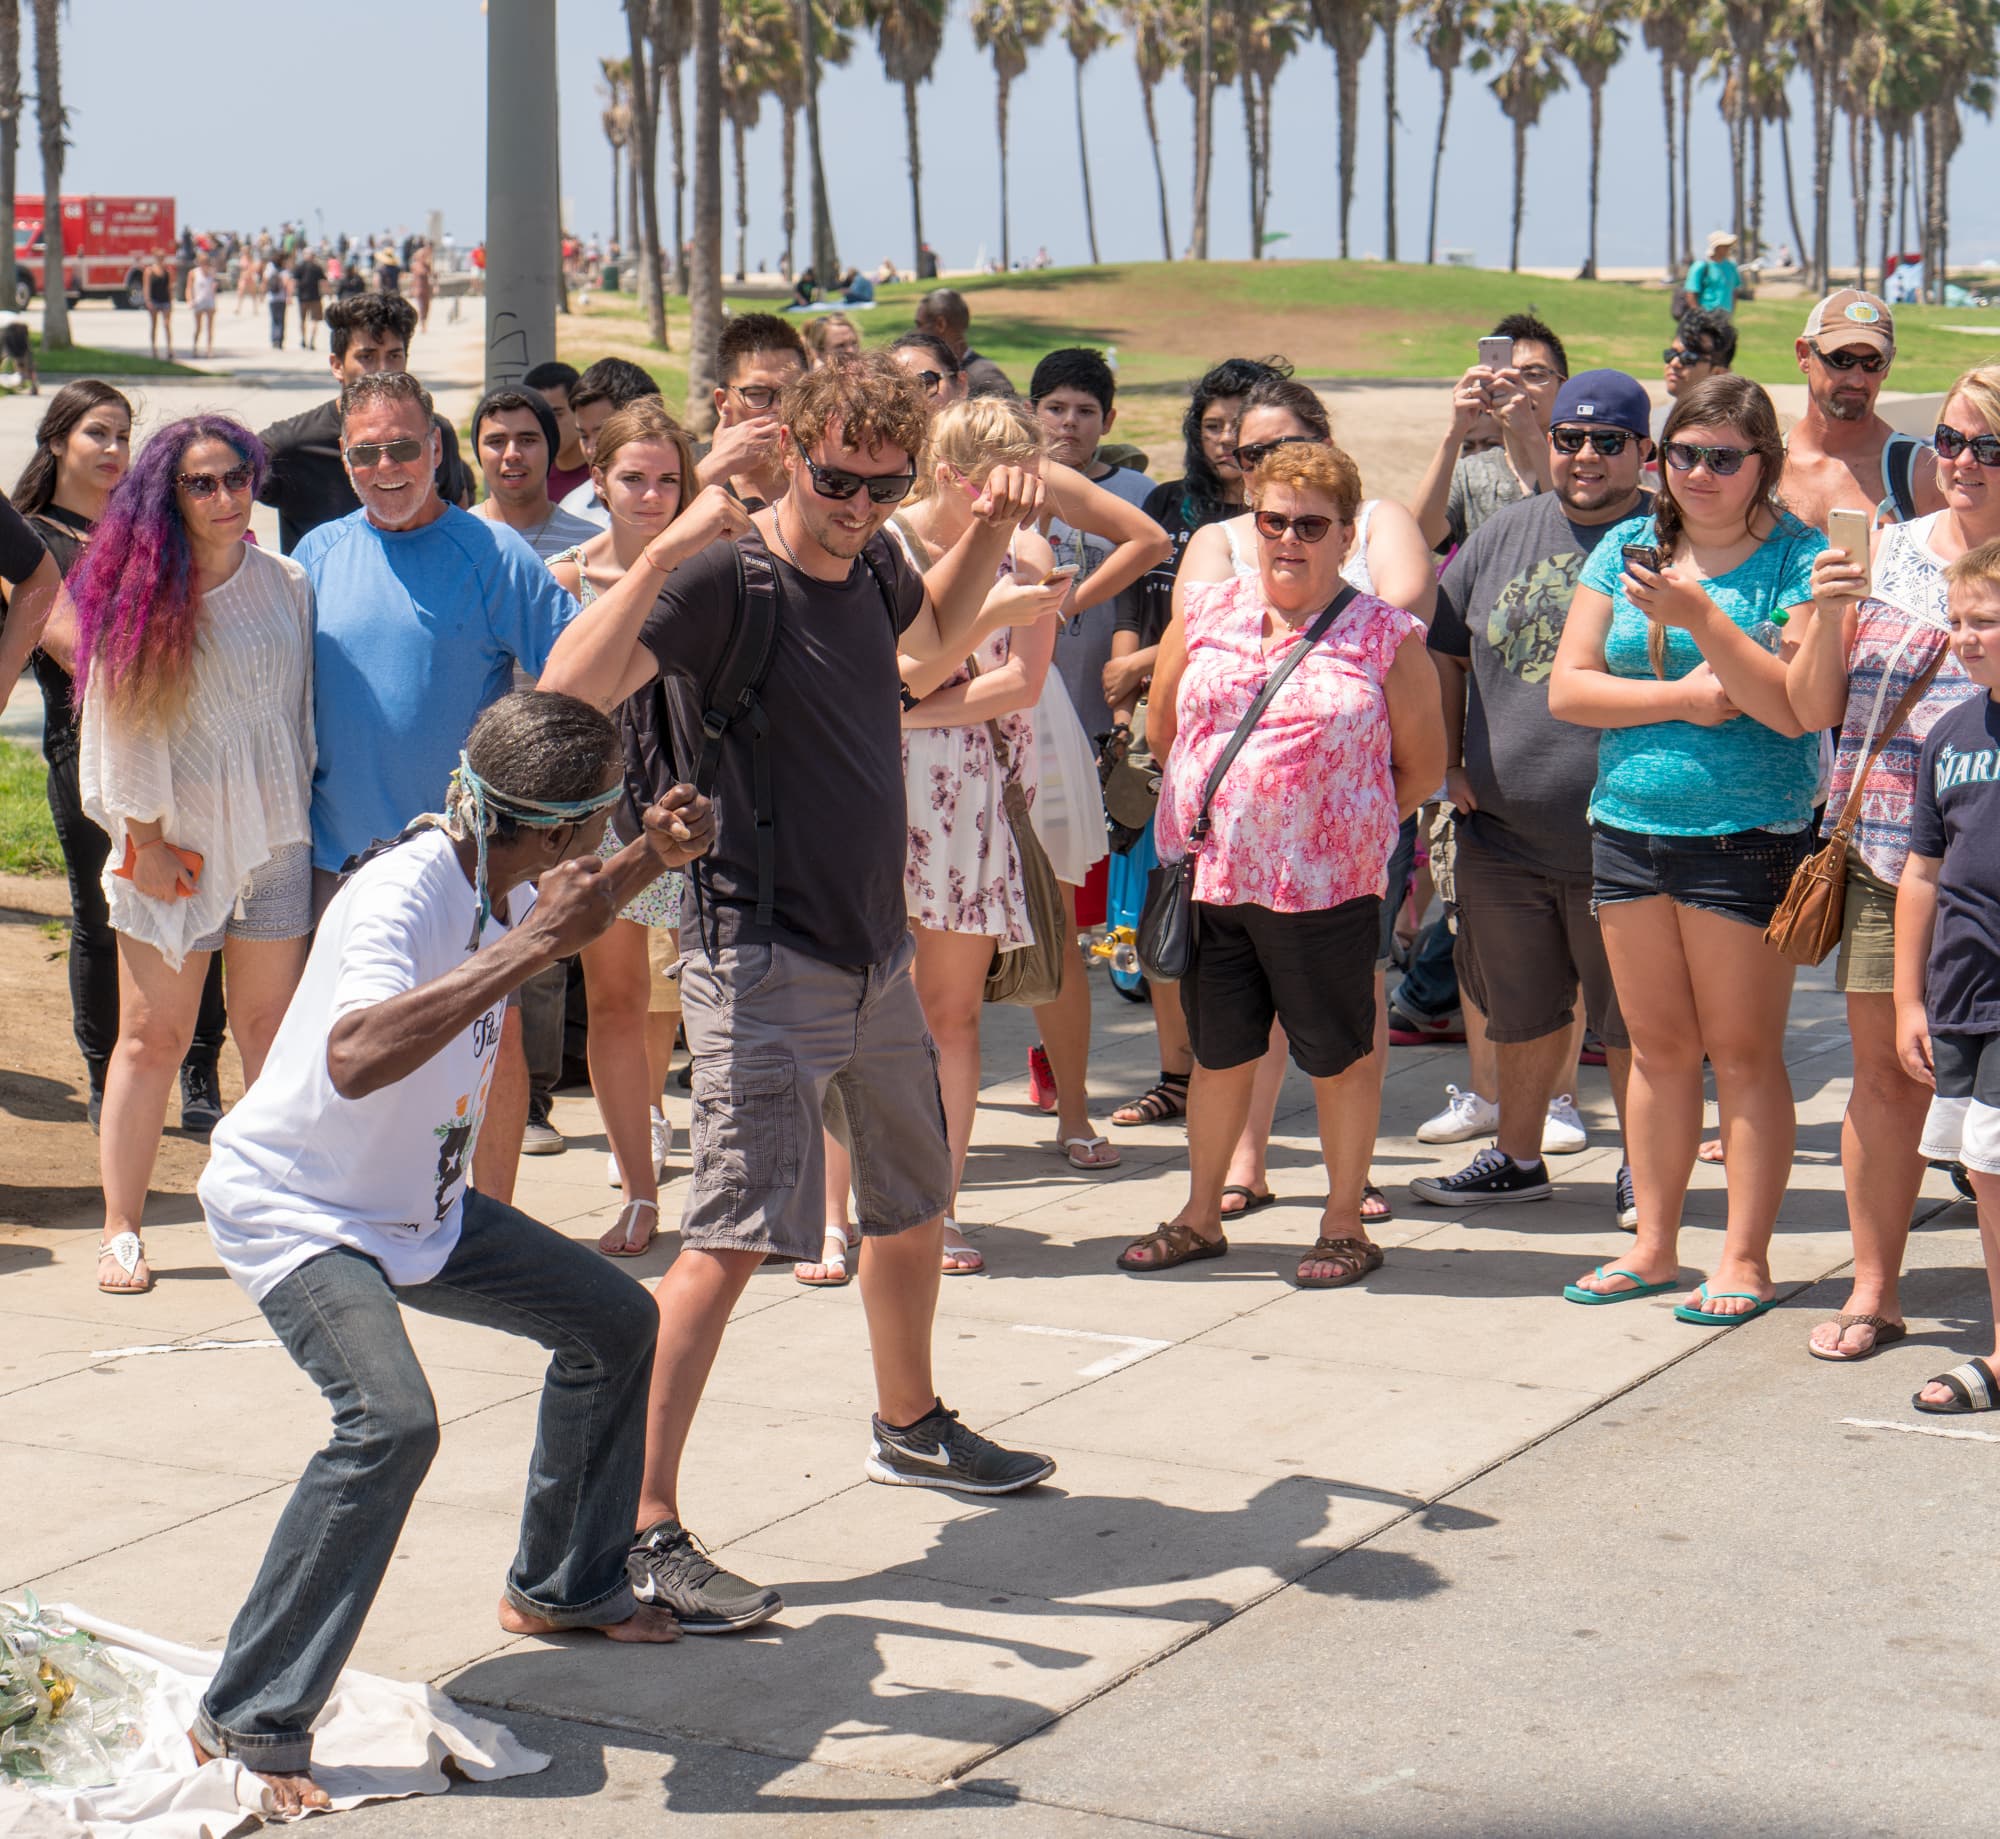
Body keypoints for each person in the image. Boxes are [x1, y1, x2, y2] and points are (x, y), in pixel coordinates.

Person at [537, 354, 1066, 1632]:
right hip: (757, 953)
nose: (856, 505)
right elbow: (565, 695)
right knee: (726, 1243)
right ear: (794, 456)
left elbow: (921, 653)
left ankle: (908, 1422)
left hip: (870, 948)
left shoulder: (875, 557)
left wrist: (987, 527)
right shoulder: (729, 576)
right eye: (836, 480)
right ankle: (639, 1526)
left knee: (910, 1199)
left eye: (883, 488)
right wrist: (669, 539)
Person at [189, 692, 706, 1814]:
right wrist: (528, 945)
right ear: (554, 829)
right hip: (300, 1209)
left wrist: (645, 859)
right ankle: (249, 1718)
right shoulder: (403, 892)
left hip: (419, 1206)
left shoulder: (497, 861)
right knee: (389, 1423)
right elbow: (357, 1054)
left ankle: (565, 1586)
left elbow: (560, 912)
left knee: (616, 1324)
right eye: (603, 821)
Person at [295, 370, 640, 1206]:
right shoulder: (315, 556)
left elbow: (576, 676)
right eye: (364, 452)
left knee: (494, 1039)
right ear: (345, 459)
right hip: (338, 855)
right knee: (351, 1045)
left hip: (468, 863)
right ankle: (364, 1212)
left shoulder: (491, 553)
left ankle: (488, 1223)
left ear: (436, 448)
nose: (385, 467)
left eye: (402, 448)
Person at [1116, 440, 1445, 1285]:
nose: (1289, 539)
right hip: (1215, 878)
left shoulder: (1385, 633)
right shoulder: (1206, 613)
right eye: (1273, 520)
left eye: (1311, 524)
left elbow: (1423, 766)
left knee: (1335, 1054)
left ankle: (1343, 1222)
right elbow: (1166, 732)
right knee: (1220, 1051)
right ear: (1250, 522)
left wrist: (1332, 824)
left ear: (1346, 537)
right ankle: (1200, 1213)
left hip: (1325, 886)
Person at [1550, 375, 1827, 1317]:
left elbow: (1795, 709)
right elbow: (1569, 690)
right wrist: (1684, 694)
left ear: (1765, 467)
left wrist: (1704, 617)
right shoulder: (1630, 547)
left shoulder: (1798, 557)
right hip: (1626, 828)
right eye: (1684, 454)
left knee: (1743, 1055)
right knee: (1658, 1049)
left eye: (1724, 457)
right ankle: (1655, 1245)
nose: (1699, 474)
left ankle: (1743, 1258)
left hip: (1745, 838)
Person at [808, 396, 1059, 1281]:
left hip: (963, 804)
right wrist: (918, 693)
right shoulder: (883, 547)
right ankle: (832, 1216)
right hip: (870, 793)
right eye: (1005, 488)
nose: (1021, 507)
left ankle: (935, 1211)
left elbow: (1020, 688)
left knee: (948, 1018)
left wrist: (911, 711)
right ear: (952, 477)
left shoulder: (1030, 551)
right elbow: (867, 675)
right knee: (858, 1014)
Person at [69, 416, 317, 1296]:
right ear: (166, 496)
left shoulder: (287, 580)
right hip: (171, 848)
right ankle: (123, 1230)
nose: (224, 497)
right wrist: (143, 841)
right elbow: (114, 724)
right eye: (201, 483)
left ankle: (279, 1215)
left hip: (278, 839)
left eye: (237, 478)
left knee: (270, 1037)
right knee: (153, 1037)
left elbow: (298, 715)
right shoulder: (140, 594)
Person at [1785, 367, 2000, 1361]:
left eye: (1986, 447)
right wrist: (1826, 613)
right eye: (1950, 440)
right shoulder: (1881, 549)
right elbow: (1812, 707)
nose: (1959, 462)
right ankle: (1872, 1291)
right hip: (1888, 855)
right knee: (1885, 1076)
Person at [1410, 371, 1648, 1224]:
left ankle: (1642, 1168)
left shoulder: (1669, 538)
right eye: (1570, 438)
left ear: (1643, 453)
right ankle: (1517, 1155)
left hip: (1628, 833)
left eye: (1608, 441)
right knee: (1518, 1009)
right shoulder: (1503, 533)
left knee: (1632, 1021)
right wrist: (1447, 761)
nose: (1585, 456)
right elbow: (1441, 650)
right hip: (1502, 831)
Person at [0, 384, 232, 1135]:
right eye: (97, 432)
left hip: (187, 742)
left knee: (205, 905)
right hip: (88, 748)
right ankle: (107, 1082)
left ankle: (201, 1070)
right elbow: (69, 645)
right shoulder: (30, 538)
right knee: (100, 915)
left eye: (124, 436)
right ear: (57, 438)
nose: (113, 449)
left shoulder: (149, 531)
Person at [549, 401, 746, 1255]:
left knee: (726, 1004)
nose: (653, 494)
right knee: (618, 1005)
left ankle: (733, 1181)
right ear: (598, 480)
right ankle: (637, 1190)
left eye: (671, 478)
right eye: (633, 477)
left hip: (707, 807)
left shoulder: (726, 564)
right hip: (600, 817)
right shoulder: (567, 576)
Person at [1110, 357, 1287, 1133]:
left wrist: (1148, 661)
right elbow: (1140, 605)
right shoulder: (1168, 504)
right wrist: (1132, 687)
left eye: (1238, 430)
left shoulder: (1292, 516)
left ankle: (1248, 1091)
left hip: (1254, 742)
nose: (1224, 442)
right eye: (1211, 427)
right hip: (1170, 728)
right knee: (1168, 912)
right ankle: (1175, 1074)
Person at [1023, 348, 1171, 1167]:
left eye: (1084, 410)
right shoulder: (994, 487)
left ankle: (1070, 1094)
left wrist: (1068, 601)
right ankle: (1045, 1065)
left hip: (1085, 730)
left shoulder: (1133, 495)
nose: (1068, 423)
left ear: (1108, 420)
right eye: (1054, 408)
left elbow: (1149, 565)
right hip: (995, 728)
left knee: (1075, 927)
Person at [1895, 541, 2000, 1412]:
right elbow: (1923, 875)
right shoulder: (1949, 734)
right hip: (1964, 995)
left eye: (1987, 622)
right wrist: (1907, 998)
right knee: (1987, 1174)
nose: (1966, 638)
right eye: (1958, 621)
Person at [257, 293, 473, 554]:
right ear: (337, 365)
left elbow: (458, 526)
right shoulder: (288, 446)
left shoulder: (432, 434)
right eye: (367, 357)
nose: (383, 369)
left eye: (394, 355)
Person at [1781, 289, 1945, 528]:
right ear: (1804, 355)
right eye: (1841, 360)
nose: (1857, 380)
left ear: (1889, 365)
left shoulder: (1920, 474)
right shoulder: (1764, 467)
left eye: (1872, 363)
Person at [1413, 313, 1569, 553]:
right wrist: (1455, 433)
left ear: (1563, 387)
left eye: (1534, 375)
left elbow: (1569, 528)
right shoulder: (1470, 473)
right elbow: (1418, 540)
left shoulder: (1583, 463)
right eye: (1506, 376)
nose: (1519, 386)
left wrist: (1529, 433)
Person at [469, 388, 601, 561]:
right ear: (478, 451)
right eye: (496, 442)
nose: (512, 454)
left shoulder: (591, 545)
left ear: (550, 448)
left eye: (527, 440)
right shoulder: (452, 539)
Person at [704, 313, 809, 511]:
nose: (779, 408)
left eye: (792, 393)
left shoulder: (825, 474)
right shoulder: (681, 470)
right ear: (722, 402)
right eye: (757, 394)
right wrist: (717, 466)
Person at [556, 357, 669, 525]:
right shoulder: (570, 512)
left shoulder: (698, 502)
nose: (591, 449)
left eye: (604, 433)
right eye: (584, 436)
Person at [915, 287, 1016, 398]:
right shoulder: (946, 373)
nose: (917, 332)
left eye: (920, 325)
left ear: (941, 324)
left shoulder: (985, 377)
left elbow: (1016, 413)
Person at [523, 359, 593, 500]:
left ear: (578, 410)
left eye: (556, 414)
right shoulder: (528, 478)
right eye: (536, 416)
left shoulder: (604, 479)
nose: (546, 425)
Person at [1681, 231, 1742, 317]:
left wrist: (1732, 312)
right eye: (1725, 246)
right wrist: (1698, 315)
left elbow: (1734, 290)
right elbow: (1690, 293)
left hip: (1725, 315)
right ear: (1717, 247)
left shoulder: (1731, 266)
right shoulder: (1701, 266)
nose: (1728, 248)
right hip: (1706, 314)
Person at [184, 254, 218, 359]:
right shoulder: (194, 273)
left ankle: (209, 349)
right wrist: (189, 300)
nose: (205, 263)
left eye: (206, 261)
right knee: (199, 327)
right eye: (203, 261)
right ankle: (195, 347)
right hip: (198, 302)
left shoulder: (212, 272)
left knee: (210, 327)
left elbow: (213, 288)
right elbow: (189, 288)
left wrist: (215, 300)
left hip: (209, 301)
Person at [143, 251, 175, 362]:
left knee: (167, 324)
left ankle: (169, 349)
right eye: (159, 257)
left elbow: (170, 287)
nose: (161, 259)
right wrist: (147, 301)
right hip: (154, 300)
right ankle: (154, 348)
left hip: (165, 300)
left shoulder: (167, 271)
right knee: (154, 325)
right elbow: (146, 286)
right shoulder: (149, 271)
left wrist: (171, 301)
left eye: (162, 257)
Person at [293, 245, 326, 351]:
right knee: (315, 320)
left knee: (302, 320)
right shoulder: (317, 267)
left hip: (302, 297)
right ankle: (311, 340)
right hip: (315, 297)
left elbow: (295, 282)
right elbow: (323, 282)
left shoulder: (299, 267)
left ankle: (304, 339)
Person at [264, 252, 291, 351]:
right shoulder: (284, 271)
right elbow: (286, 284)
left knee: (274, 320)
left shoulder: (270, 268)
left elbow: (265, 280)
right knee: (281, 320)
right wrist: (288, 296)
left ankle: (274, 339)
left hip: (272, 297)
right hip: (281, 298)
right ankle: (279, 340)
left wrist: (262, 293)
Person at [409, 238, 435, 332]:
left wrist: (435, 286)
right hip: (418, 288)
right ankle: (422, 323)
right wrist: (411, 288)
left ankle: (424, 322)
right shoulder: (416, 266)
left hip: (426, 288)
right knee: (421, 306)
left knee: (426, 306)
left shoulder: (427, 265)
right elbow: (413, 279)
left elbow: (432, 276)